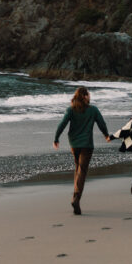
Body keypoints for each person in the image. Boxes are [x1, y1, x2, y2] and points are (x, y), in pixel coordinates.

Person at [53, 86, 109, 215]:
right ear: (84, 96)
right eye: (88, 94)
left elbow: (62, 124)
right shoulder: (93, 110)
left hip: (74, 143)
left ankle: (75, 196)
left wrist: (56, 138)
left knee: (78, 168)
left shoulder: (71, 110)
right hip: (87, 145)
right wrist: (106, 135)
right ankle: (76, 198)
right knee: (82, 171)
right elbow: (102, 123)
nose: (90, 96)